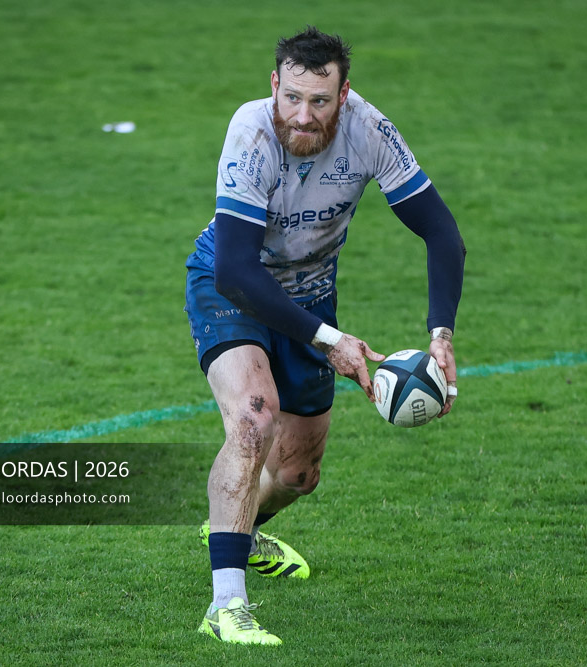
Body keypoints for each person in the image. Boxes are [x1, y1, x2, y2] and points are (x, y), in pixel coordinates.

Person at [184, 26, 465, 645]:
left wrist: (440, 333)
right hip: (230, 285)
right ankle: (225, 607)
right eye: (293, 98)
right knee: (253, 418)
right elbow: (234, 269)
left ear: (344, 96)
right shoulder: (251, 132)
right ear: (275, 86)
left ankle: (234, 527)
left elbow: (442, 233)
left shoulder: (369, 131)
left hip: (310, 294)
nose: (303, 116)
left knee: (297, 474)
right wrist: (328, 339)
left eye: (321, 101)